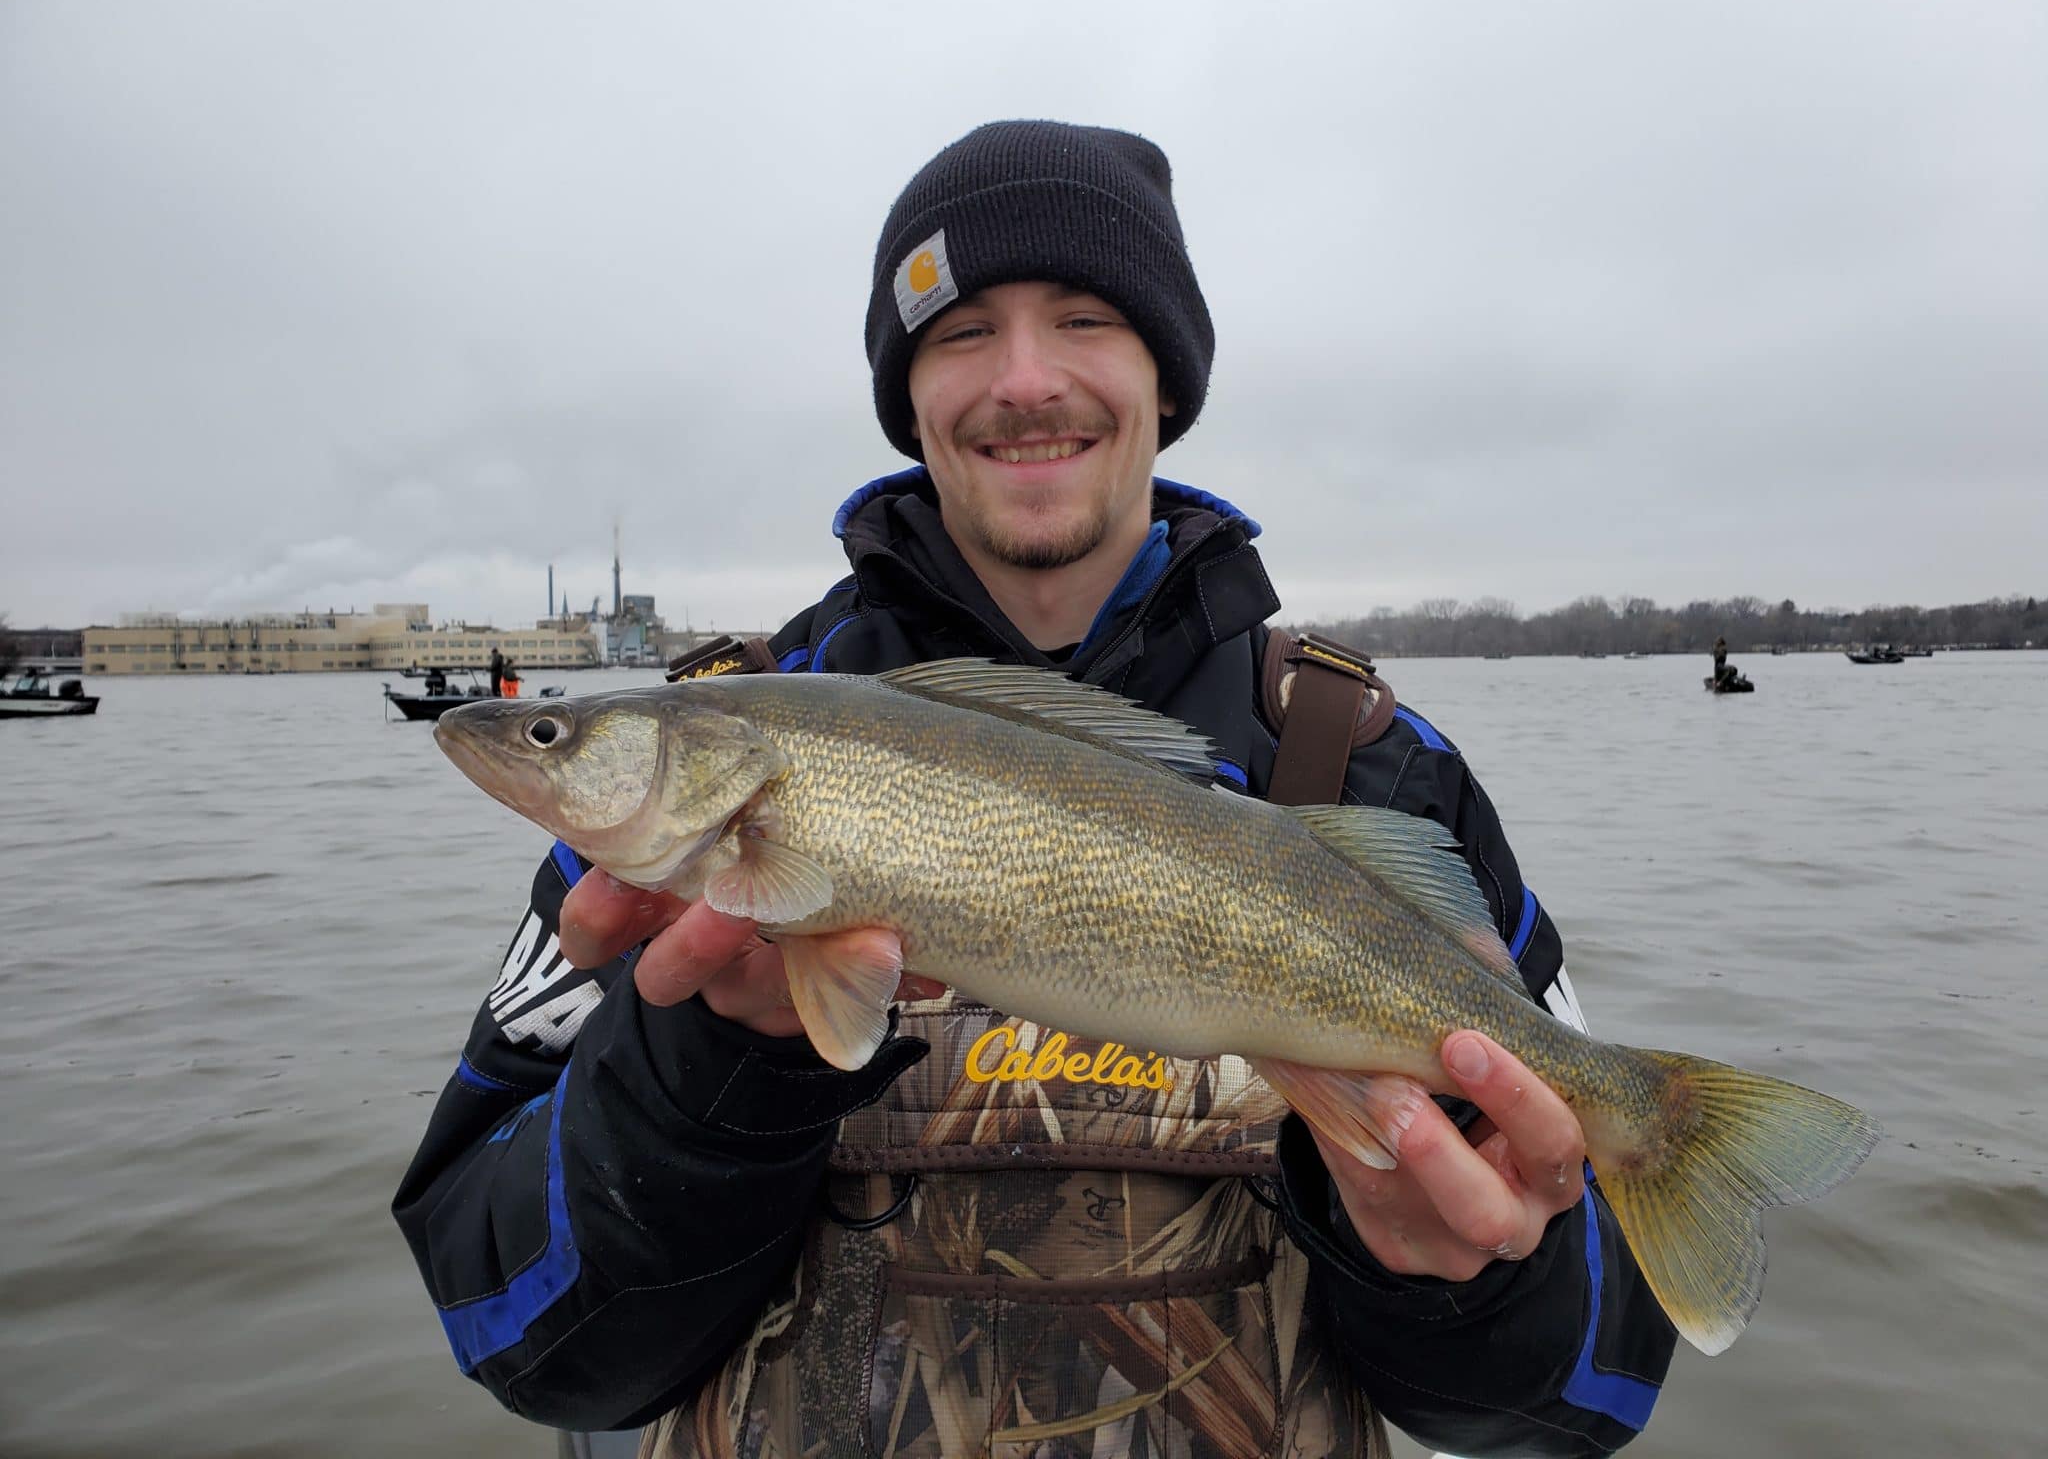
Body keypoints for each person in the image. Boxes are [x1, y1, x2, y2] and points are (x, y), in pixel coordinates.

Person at [395, 120, 1676, 1458]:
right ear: (910, 397)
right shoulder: (667, 838)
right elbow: (510, 1334)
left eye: (1084, 318)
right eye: (959, 332)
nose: (1024, 379)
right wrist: (706, 1077)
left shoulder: (1369, 769)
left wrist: (1459, 1276)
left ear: (1164, 381)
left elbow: (1587, 1395)